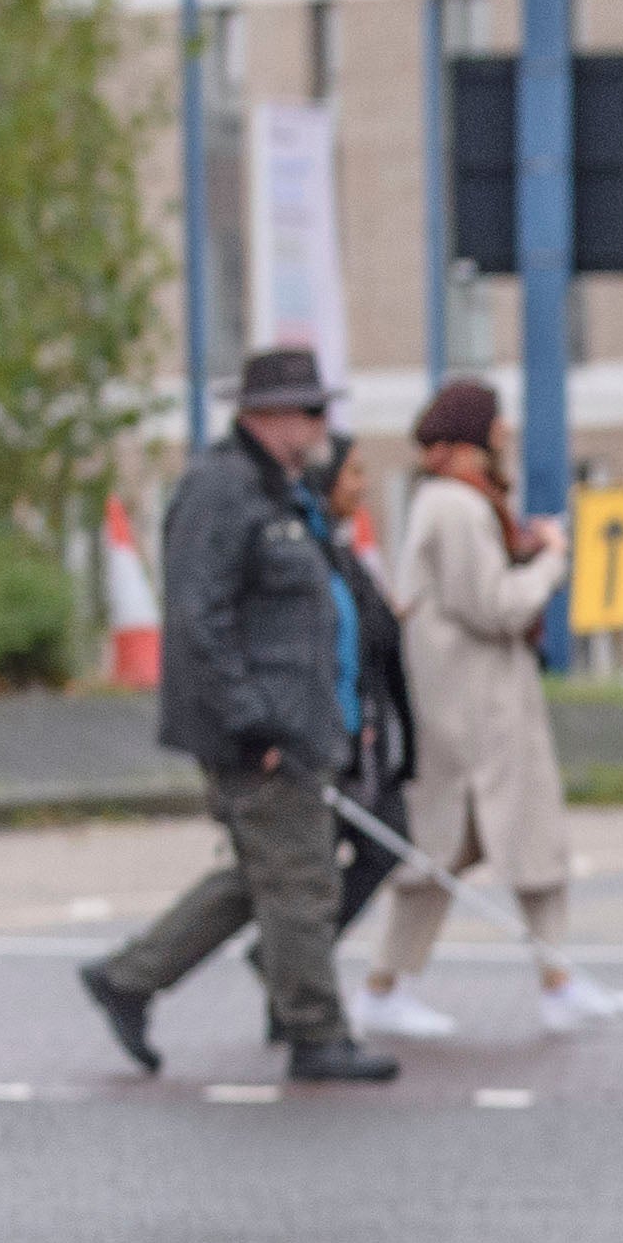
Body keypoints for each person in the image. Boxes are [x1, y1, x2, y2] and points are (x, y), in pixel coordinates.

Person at [81, 347, 401, 1087]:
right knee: (298, 879)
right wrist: (251, 723)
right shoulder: (222, 491)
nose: (323, 425)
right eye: (312, 410)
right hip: (262, 732)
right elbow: (200, 619)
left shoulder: (279, 492)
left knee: (266, 877)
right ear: (270, 415)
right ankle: (316, 1033)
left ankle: (129, 979)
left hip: (297, 721)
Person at [349, 379, 623, 1041]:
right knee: (474, 850)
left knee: (460, 853)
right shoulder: (456, 507)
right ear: (467, 443)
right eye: (493, 431)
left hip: (469, 710)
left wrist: (523, 551)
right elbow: (495, 605)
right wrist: (552, 565)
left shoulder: (453, 504)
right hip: (476, 716)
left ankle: (538, 980)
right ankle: (405, 986)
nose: (502, 440)